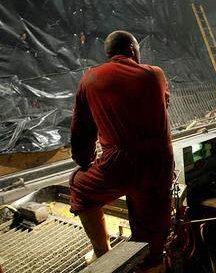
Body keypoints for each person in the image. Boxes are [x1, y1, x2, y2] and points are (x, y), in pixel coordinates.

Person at [69, 30, 174, 272]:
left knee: (79, 186)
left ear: (109, 54)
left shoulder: (90, 79)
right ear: (132, 50)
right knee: (152, 223)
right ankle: (152, 261)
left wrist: (85, 161)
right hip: (159, 161)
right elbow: (163, 104)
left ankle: (102, 253)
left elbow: (81, 129)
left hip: (118, 163)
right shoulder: (154, 74)